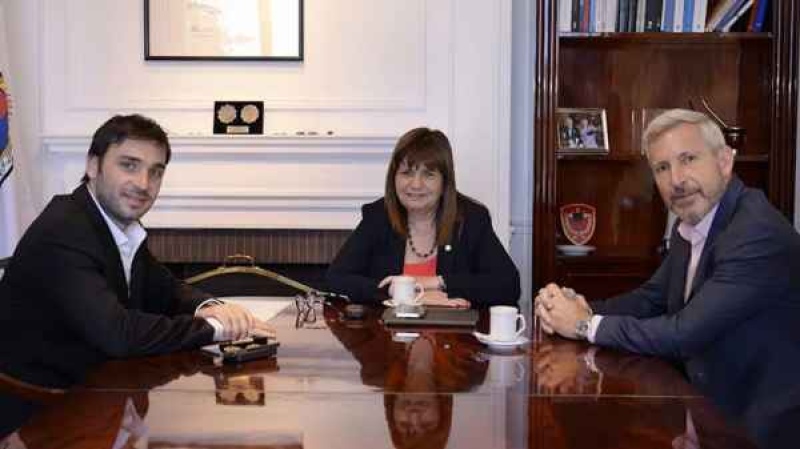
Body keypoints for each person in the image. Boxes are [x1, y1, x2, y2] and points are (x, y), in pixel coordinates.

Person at [534, 109, 800, 425]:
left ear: (725, 161)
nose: (676, 180)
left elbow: (684, 333)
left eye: (688, 159)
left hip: (754, 424)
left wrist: (582, 325)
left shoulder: (755, 232)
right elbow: (652, 299)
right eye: (662, 167)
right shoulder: (693, 222)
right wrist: (579, 308)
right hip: (702, 410)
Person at [0, 114, 273, 390]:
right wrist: (217, 328)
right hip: (39, 409)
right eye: (129, 165)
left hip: (95, 391)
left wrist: (212, 307)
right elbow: (118, 334)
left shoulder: (119, 225)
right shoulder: (65, 229)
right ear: (93, 166)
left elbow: (166, 290)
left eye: (155, 171)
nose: (143, 184)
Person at [326, 127, 520, 308]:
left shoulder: (470, 219)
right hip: (387, 339)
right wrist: (398, 293)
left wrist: (437, 283)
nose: (416, 185)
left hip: (453, 340)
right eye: (406, 173)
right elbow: (335, 279)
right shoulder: (378, 217)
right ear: (394, 178)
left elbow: (508, 285)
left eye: (428, 175)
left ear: (445, 182)